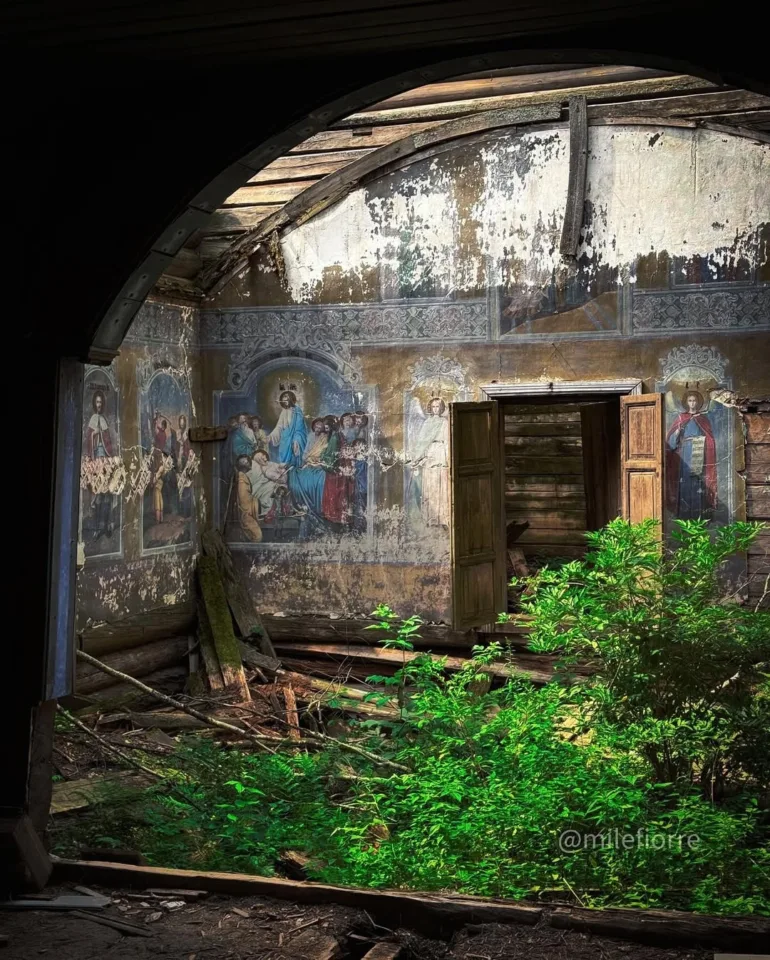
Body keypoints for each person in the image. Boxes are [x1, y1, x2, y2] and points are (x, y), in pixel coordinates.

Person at [666, 390, 717, 520]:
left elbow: (710, 439)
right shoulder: (681, 418)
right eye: (690, 401)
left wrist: (704, 444)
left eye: (694, 401)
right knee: (685, 482)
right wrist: (677, 432)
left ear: (698, 402)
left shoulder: (703, 419)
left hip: (699, 452)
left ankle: (698, 516)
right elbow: (671, 442)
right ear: (686, 403)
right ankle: (684, 516)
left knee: (698, 482)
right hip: (685, 453)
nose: (692, 403)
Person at [413, 397, 450, 527]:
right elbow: (421, 442)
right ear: (430, 408)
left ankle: (443, 518)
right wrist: (417, 458)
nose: (436, 409)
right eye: (433, 407)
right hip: (430, 454)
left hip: (441, 453)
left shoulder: (445, 423)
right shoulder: (427, 423)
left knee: (441, 484)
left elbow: (447, 441)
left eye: (438, 407)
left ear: (441, 408)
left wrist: (447, 458)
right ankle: (430, 518)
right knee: (430, 484)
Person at [85, 389, 115, 540]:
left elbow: (108, 442)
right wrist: (94, 434)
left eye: (100, 402)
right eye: (97, 402)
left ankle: (106, 525)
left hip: (105, 460)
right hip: (96, 460)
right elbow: (88, 440)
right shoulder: (92, 419)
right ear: (94, 403)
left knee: (107, 494)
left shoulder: (103, 420)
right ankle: (97, 528)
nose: (99, 404)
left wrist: (102, 433)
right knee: (97, 495)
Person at [248, 450, 297, 521]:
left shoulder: (271, 463)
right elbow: (282, 479)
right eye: (260, 458)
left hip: (285, 478)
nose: (264, 458)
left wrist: (282, 468)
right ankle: (278, 511)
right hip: (278, 483)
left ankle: (287, 509)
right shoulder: (266, 470)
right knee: (278, 491)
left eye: (263, 455)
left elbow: (281, 470)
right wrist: (282, 471)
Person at [268, 391, 307, 469]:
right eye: (283, 401)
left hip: (294, 439)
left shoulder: (297, 411)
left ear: (291, 400)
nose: (285, 402)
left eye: (287, 400)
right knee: (284, 463)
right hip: (284, 440)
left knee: (293, 462)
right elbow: (279, 426)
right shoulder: (283, 411)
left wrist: (296, 440)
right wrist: (271, 436)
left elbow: (299, 428)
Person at [235, 455, 262, 542]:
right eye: (248, 462)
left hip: (247, 513)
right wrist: (254, 504)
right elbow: (244, 503)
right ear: (244, 464)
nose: (250, 463)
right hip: (246, 515)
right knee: (257, 536)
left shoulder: (242, 477)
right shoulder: (241, 479)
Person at [174, 414, 192, 518]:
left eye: (183, 423)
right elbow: (175, 447)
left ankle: (186, 511)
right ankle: (180, 510)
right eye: (180, 423)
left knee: (186, 485)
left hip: (186, 460)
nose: (182, 425)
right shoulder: (177, 433)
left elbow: (189, 447)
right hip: (179, 460)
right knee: (179, 485)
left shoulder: (187, 433)